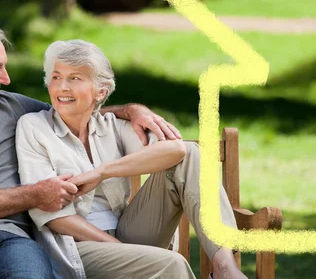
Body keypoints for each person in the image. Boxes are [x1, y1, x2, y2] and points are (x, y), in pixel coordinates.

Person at [0, 22, 182, 279]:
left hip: (15, 240)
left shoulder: (11, 108)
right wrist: (34, 194)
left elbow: (75, 109)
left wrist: (132, 110)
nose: (6, 78)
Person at [16, 39, 247, 279]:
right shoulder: (34, 127)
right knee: (172, 264)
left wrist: (103, 171)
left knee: (192, 155)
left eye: (74, 78)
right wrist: (122, 250)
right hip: (75, 247)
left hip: (128, 232)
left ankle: (225, 268)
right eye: (56, 77)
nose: (62, 87)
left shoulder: (112, 126)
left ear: (101, 91)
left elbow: (178, 151)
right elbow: (53, 217)